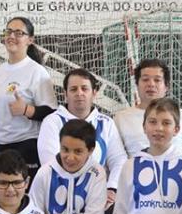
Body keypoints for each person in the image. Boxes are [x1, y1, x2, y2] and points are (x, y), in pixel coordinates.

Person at [0, 16, 56, 178]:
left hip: (27, 147)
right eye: (8, 31)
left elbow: (51, 113)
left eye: (18, 33)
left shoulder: (37, 72)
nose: (11, 36)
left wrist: (26, 110)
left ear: (30, 40)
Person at [36, 68, 127, 204]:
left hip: (99, 196)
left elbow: (119, 159)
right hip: (61, 196)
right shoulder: (52, 121)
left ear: (94, 93)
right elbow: (50, 163)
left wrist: (111, 188)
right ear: (65, 94)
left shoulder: (106, 123)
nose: (79, 93)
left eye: (84, 89)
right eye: (73, 89)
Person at [113, 59, 182, 176]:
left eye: (157, 80)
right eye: (145, 79)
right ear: (137, 84)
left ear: (166, 86)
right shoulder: (120, 119)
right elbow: (116, 161)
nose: (151, 84)